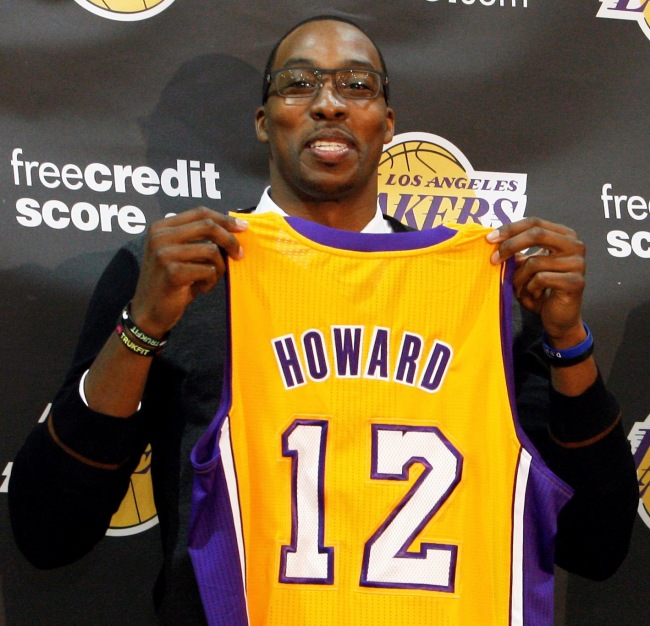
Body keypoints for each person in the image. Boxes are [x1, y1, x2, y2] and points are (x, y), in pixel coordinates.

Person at [9, 15, 638, 625]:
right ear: (263, 120)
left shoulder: (486, 291)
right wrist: (143, 327)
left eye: (357, 85)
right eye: (299, 83)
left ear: (387, 124)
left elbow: (597, 546)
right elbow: (48, 531)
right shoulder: (181, 273)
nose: (329, 104)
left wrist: (569, 342)